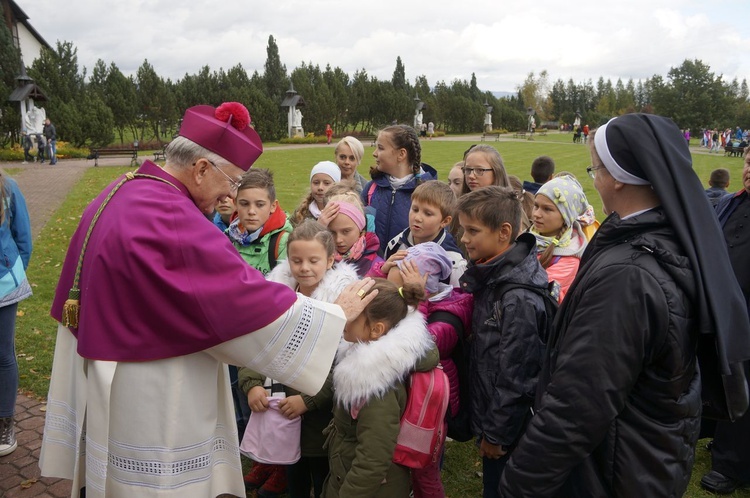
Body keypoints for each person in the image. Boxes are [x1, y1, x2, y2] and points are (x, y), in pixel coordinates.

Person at [39, 102, 378, 498]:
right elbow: (239, 301)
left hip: (109, 367)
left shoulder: (123, 189)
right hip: (152, 386)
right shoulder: (173, 219)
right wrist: (334, 314)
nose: (231, 196)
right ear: (201, 168)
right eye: (232, 182)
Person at [499, 114, 750, 497]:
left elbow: (578, 404)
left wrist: (518, 485)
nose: (594, 177)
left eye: (596, 168)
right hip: (642, 456)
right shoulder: (659, 235)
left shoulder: (629, 276)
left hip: (615, 466)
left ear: (617, 177)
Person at [241, 221, 359, 498]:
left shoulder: (341, 304)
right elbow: (257, 345)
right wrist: (252, 383)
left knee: (321, 476)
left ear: (330, 260)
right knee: (293, 475)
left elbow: (342, 362)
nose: (304, 267)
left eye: (313, 260)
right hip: (279, 411)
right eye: (297, 260)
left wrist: (308, 401)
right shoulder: (277, 297)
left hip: (319, 420)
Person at [457, 186, 550, 498]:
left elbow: (518, 375)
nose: (464, 239)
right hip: (495, 418)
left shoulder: (516, 297)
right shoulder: (494, 273)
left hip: (512, 432)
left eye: (473, 230)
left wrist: (497, 434)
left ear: (504, 232)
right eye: (463, 229)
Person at [323, 278, 439, 498]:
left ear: (376, 330)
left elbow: (373, 459)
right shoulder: (359, 355)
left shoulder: (374, 386)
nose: (342, 318)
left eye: (352, 315)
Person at [386, 244, 473, 498]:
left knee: (424, 470)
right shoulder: (415, 304)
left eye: (400, 290)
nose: (395, 295)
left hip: (429, 411)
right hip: (412, 402)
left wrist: (416, 298)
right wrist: (385, 267)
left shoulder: (448, 317)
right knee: (403, 462)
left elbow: (419, 348)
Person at [700, 151, 750, 494]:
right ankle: (720, 439)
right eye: (749, 163)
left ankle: (733, 463)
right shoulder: (732, 202)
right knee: (723, 376)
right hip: (724, 312)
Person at [361, 124, 437, 255]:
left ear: (401, 154)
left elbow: (438, 240)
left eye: (380, 148)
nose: (374, 153)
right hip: (372, 271)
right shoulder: (371, 188)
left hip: (408, 271)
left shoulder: (428, 193)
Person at [379, 180, 466, 287]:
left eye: (428, 214)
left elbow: (459, 300)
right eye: (415, 209)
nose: (417, 218)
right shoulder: (395, 244)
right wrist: (382, 271)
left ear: (445, 221)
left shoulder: (452, 260)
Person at [0, 171, 32, 457]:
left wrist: (11, 271)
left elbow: (24, 240)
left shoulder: (8, 187)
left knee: (3, 355)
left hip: (3, 288)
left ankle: (4, 422)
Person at [529, 176, 589, 301]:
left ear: (566, 217)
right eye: (536, 206)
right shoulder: (526, 236)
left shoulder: (569, 260)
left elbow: (536, 293)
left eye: (547, 209)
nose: (536, 214)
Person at [228, 168, 293, 276]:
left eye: (260, 205)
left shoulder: (283, 243)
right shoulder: (227, 238)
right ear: (235, 203)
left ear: (273, 206)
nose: (251, 211)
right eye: (244, 204)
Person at [318, 193, 383, 277]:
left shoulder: (377, 266)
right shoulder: (320, 257)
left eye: (346, 231)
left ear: (361, 230)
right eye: (332, 232)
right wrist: (317, 232)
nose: (338, 240)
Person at [291, 161, 341, 226]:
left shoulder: (341, 212)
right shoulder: (301, 213)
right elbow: (293, 235)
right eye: (316, 183)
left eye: (326, 183)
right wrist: (319, 225)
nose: (320, 187)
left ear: (336, 186)